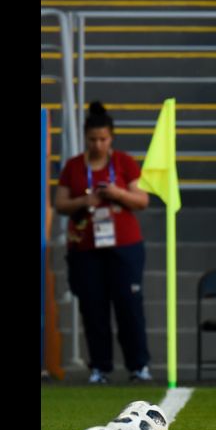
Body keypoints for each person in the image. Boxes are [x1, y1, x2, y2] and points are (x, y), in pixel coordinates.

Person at [54, 101, 153, 384]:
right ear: (86, 138)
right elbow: (60, 203)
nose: (98, 144)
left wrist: (116, 193)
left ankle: (138, 366)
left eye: (103, 139)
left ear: (111, 138)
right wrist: (86, 201)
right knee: (93, 308)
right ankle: (100, 367)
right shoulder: (73, 166)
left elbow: (142, 200)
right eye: (93, 139)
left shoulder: (123, 162)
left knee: (129, 306)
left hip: (124, 246)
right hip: (85, 248)